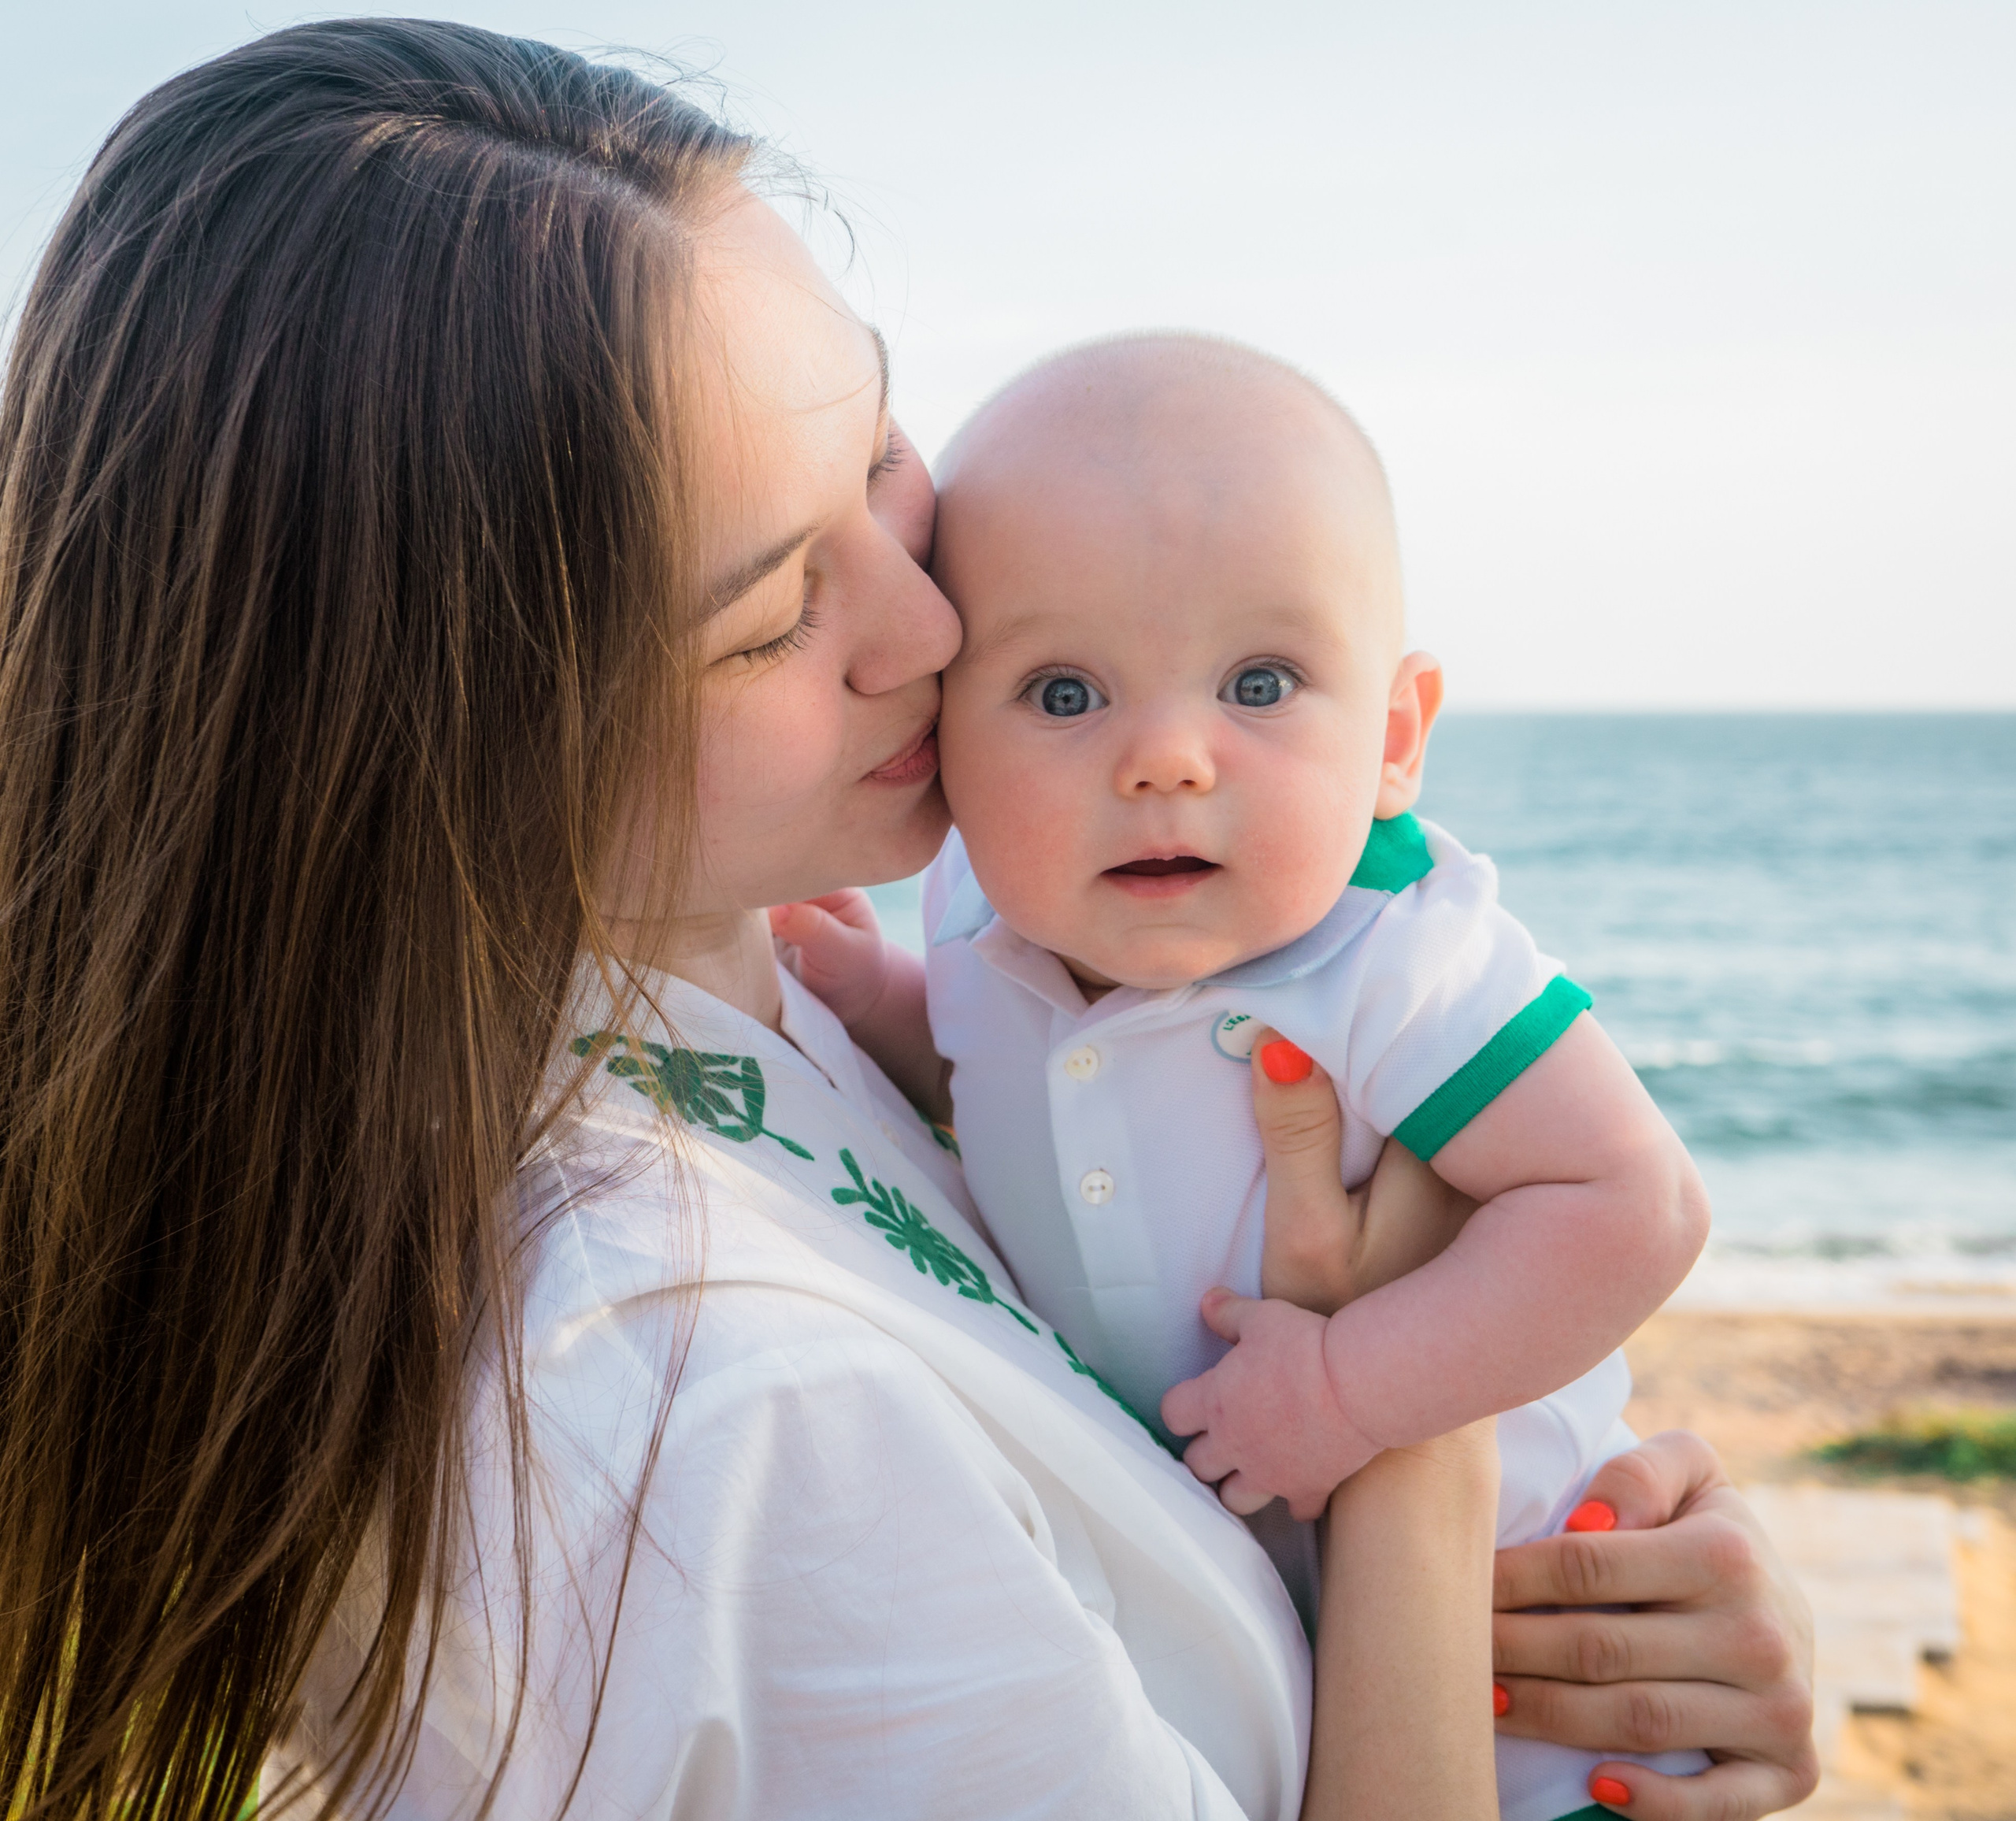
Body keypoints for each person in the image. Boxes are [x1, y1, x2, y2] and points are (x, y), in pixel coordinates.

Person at [0, 19, 1817, 1821]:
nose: (937, 628)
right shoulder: (703, 1413)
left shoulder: (755, 1007)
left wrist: (1589, 1628)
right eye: (776, 613)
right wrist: (1418, 1442)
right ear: (440, 740)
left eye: (876, 460)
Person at [774, 335, 1711, 1821]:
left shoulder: (1396, 961)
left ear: (1396, 739)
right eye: (1064, 692)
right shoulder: (979, 919)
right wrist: (866, 1000)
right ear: (945, 739)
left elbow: (1630, 1202)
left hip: (1518, 1708)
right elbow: (991, 1078)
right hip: (1263, 1678)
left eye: (1260, 682)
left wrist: (1352, 1391)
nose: (1165, 759)